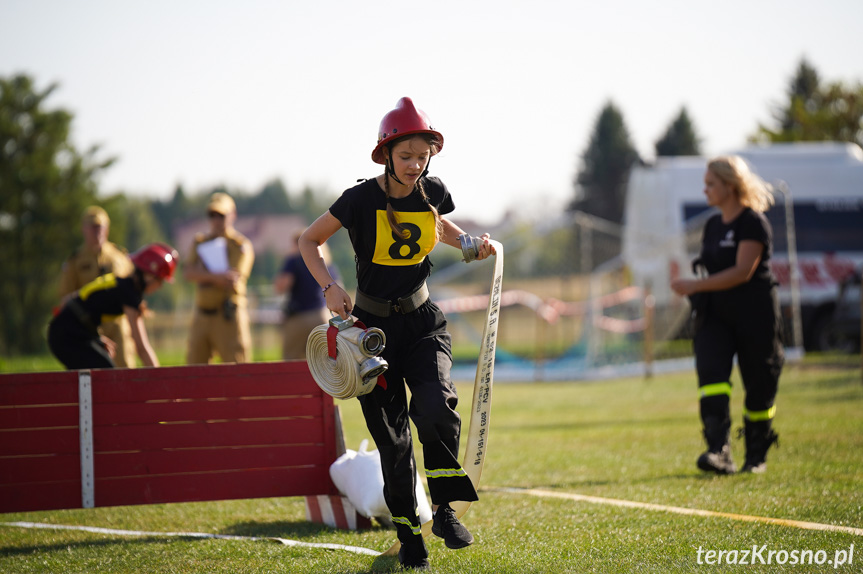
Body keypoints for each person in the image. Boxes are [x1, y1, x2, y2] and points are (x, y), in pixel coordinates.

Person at [299, 97, 496, 570]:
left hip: (425, 324)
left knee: (435, 409)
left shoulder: (432, 191)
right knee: (393, 442)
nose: (415, 165)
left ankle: (445, 512)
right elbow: (308, 239)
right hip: (372, 336)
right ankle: (410, 537)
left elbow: (433, 224)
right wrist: (329, 286)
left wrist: (468, 242)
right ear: (386, 153)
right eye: (406, 156)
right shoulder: (359, 198)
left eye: (423, 155)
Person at [671, 155, 783, 475]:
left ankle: (756, 456)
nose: (705, 190)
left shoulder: (752, 222)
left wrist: (695, 285)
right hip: (716, 315)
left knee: (760, 383)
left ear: (730, 186)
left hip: (755, 314)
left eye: (711, 184)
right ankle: (719, 451)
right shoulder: (712, 225)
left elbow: (742, 272)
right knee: (711, 377)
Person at [49, 243, 178, 370]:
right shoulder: (130, 294)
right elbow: (141, 347)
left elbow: (81, 307)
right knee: (105, 376)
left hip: (69, 332)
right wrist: (159, 380)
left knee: (101, 375)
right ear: (148, 275)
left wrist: (95, 338)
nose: (160, 286)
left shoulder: (122, 284)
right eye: (160, 280)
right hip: (66, 336)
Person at [59, 206, 138, 367]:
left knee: (124, 372)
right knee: (91, 375)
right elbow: (65, 297)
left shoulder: (120, 256)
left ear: (107, 229)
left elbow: (133, 290)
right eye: (93, 227)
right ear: (84, 229)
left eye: (100, 227)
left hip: (118, 326)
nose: (97, 232)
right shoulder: (75, 260)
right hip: (90, 326)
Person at [183, 192, 255, 364]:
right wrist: (217, 276)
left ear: (232, 216)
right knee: (194, 371)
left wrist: (203, 275)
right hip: (202, 314)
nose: (216, 220)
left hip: (228, 316)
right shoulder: (199, 241)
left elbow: (232, 279)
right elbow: (188, 273)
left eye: (221, 215)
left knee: (237, 371)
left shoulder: (240, 245)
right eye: (212, 215)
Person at [274, 229, 339, 360]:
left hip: (299, 317)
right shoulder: (327, 263)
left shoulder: (294, 261)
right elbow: (338, 288)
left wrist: (288, 261)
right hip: (322, 316)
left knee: (291, 360)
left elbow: (281, 286)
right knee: (324, 361)